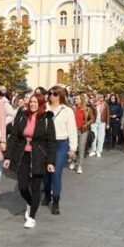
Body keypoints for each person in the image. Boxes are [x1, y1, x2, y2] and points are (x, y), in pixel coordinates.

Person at [4, 93, 56, 229]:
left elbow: (51, 142)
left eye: (35, 102)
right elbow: (14, 137)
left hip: (39, 155)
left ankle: (32, 217)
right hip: (23, 155)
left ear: (40, 104)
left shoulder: (46, 118)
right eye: (31, 102)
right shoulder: (22, 116)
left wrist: (51, 162)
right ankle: (30, 202)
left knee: (36, 187)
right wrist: (8, 157)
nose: (32, 104)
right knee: (22, 186)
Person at [42, 85, 78, 215]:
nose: (51, 96)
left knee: (56, 173)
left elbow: (72, 130)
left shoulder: (67, 110)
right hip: (45, 143)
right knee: (46, 172)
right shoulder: (44, 108)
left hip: (61, 144)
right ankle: (47, 194)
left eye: (54, 94)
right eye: (50, 93)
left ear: (60, 96)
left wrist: (73, 148)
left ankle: (56, 201)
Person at [73, 94, 95, 174]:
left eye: (77, 98)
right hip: (73, 130)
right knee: (74, 147)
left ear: (81, 100)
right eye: (75, 98)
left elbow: (92, 118)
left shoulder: (87, 109)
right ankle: (74, 161)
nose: (75, 100)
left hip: (83, 130)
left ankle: (80, 166)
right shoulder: (73, 108)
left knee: (81, 148)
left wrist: (86, 124)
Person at [90, 93, 108, 157]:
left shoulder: (105, 105)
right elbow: (90, 112)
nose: (101, 98)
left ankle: (99, 151)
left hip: (102, 122)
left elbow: (108, 115)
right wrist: (94, 105)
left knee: (101, 137)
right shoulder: (93, 105)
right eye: (99, 97)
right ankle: (93, 150)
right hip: (94, 122)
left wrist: (108, 123)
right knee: (94, 137)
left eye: (102, 97)